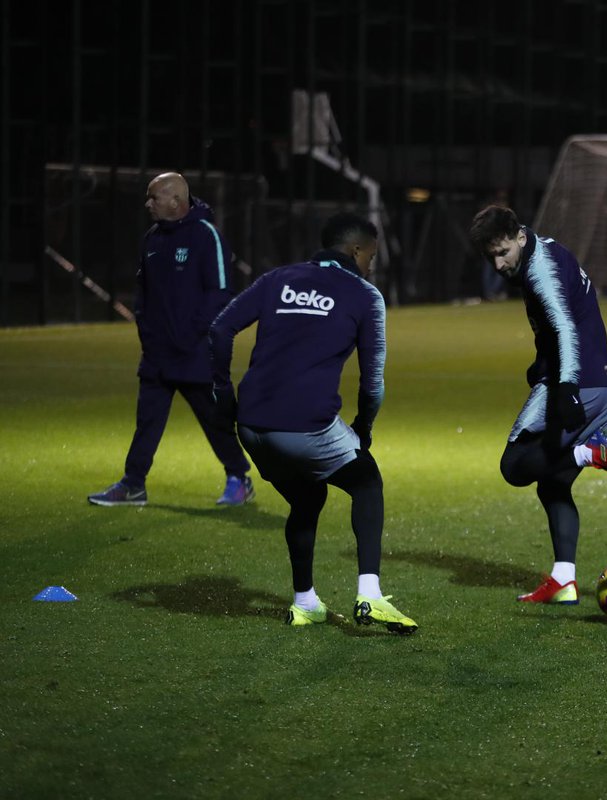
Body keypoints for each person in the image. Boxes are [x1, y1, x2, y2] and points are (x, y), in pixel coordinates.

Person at [209, 212, 417, 633]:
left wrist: (224, 397)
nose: (371, 265)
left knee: (307, 498)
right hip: (305, 426)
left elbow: (219, 329)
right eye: (371, 256)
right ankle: (371, 596)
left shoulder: (276, 279)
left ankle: (305, 602)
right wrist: (364, 428)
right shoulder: (364, 294)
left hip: (251, 426)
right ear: (356, 251)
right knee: (366, 481)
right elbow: (372, 381)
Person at [468, 204, 607, 605]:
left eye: (503, 253)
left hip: (579, 385)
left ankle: (588, 452)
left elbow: (565, 326)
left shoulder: (540, 269)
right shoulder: (544, 249)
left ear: (518, 236)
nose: (498, 264)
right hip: (601, 385)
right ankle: (564, 579)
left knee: (514, 466)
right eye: (490, 257)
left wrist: (564, 387)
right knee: (553, 484)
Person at [88, 172, 253, 507]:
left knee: (215, 421)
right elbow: (142, 294)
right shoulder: (152, 238)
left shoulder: (208, 236)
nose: (148, 204)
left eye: (154, 198)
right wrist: (148, 333)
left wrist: (190, 333)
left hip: (195, 353)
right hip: (157, 354)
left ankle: (239, 477)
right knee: (147, 422)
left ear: (176, 201)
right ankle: (133, 484)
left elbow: (220, 294)